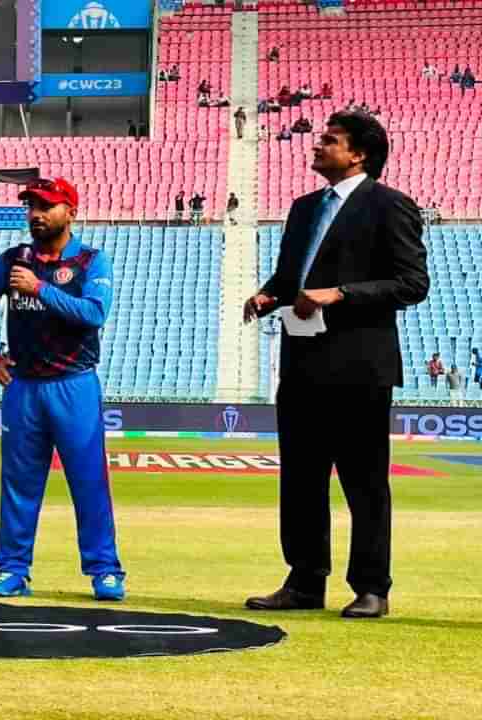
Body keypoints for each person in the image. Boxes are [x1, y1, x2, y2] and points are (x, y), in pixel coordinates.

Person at [243, 110, 429, 619]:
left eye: (330, 139)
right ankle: (304, 581)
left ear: (360, 153)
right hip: (301, 363)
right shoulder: (303, 209)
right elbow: (290, 279)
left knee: (364, 481)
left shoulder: (390, 207)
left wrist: (340, 294)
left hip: (359, 368)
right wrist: (265, 295)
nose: (316, 144)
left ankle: (372, 586)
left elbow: (412, 284)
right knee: (300, 480)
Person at [0, 177, 125, 601]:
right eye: (32, 205)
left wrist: (40, 288)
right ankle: (12, 570)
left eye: (47, 206)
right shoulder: (12, 259)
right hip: (24, 390)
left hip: (74, 385)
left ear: (69, 211)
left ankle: (105, 570)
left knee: (89, 481)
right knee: (19, 483)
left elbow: (94, 313)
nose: (36, 214)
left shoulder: (92, 261)